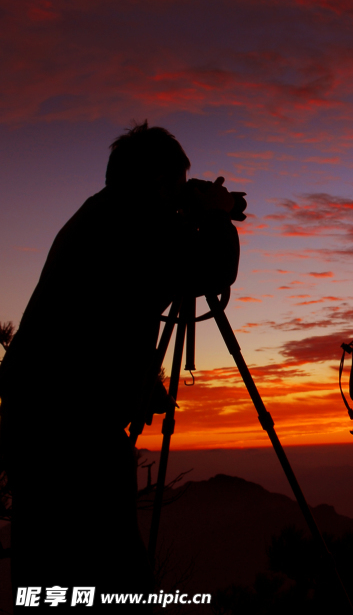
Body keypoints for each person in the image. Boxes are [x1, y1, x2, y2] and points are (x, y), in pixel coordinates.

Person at [0, 122, 240, 606]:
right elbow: (210, 270)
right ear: (157, 181)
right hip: (74, 426)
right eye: (175, 185)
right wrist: (215, 217)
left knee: (47, 560)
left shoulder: (101, 213)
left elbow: (101, 309)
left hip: (38, 413)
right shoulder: (136, 218)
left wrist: (141, 383)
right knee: (113, 568)